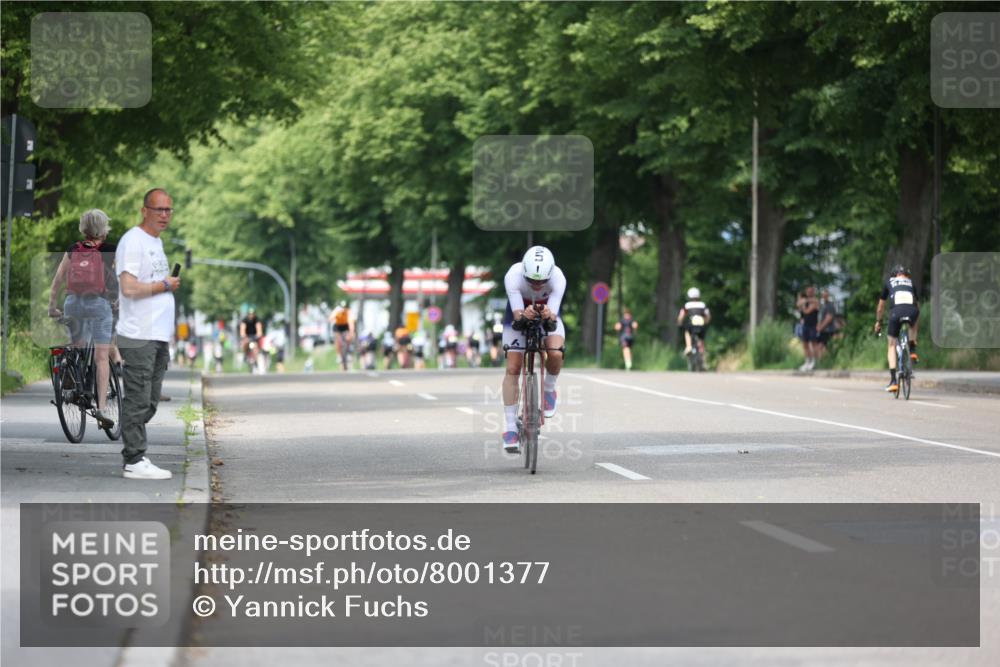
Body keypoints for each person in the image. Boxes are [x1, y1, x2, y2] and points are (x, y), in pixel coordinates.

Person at [115, 188, 180, 480]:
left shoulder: (156, 242)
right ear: (144, 211)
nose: (164, 215)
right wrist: (164, 286)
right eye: (159, 209)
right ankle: (134, 459)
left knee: (150, 401)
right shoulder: (133, 241)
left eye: (168, 210)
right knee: (138, 399)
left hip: (157, 335)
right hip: (138, 334)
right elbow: (129, 288)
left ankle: (135, 452)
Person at [47, 209, 118, 428]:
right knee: (101, 357)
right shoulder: (110, 250)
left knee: (77, 346)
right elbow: (118, 280)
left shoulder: (73, 249)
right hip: (98, 303)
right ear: (104, 229)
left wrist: (52, 306)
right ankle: (102, 408)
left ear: (83, 228)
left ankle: (70, 373)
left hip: (72, 303)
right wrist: (118, 303)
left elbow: (58, 279)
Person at [500, 246, 566, 453]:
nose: (537, 286)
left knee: (556, 352)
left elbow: (552, 322)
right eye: (532, 281)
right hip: (517, 316)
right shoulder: (513, 275)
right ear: (524, 274)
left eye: (541, 281)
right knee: (513, 368)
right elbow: (518, 318)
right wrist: (524, 316)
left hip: (547, 315)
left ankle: (548, 390)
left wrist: (548, 315)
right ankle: (510, 427)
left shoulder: (558, 277)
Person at [874, 264, 920, 393]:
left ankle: (894, 381)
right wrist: (915, 327)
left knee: (892, 345)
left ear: (894, 275)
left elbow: (880, 308)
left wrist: (878, 322)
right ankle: (912, 349)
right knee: (915, 318)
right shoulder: (911, 282)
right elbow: (918, 307)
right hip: (912, 311)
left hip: (896, 312)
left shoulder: (889, 282)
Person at [677, 288, 711, 363]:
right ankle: (703, 355)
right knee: (701, 339)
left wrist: (679, 322)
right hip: (701, 325)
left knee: (687, 332)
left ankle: (689, 347)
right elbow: (708, 316)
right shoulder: (703, 304)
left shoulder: (687, 305)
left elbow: (681, 316)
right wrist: (706, 322)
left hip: (691, 325)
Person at [796, 286, 820, 371]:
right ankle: (807, 361)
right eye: (808, 291)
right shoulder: (806, 301)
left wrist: (802, 303)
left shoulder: (815, 301)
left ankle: (814, 361)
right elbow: (798, 304)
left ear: (813, 292)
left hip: (813, 325)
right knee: (805, 344)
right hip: (805, 325)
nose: (809, 293)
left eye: (811, 291)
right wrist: (801, 302)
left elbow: (807, 311)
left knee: (813, 344)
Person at [329, 301, 354, 370]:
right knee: (337, 339)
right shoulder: (337, 310)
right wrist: (336, 315)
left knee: (348, 338)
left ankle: (348, 349)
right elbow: (330, 318)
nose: (343, 308)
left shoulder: (348, 312)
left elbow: (351, 324)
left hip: (345, 326)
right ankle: (338, 354)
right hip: (337, 326)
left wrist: (351, 334)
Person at [816, 289, 839, 359]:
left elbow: (829, 318)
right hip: (823, 330)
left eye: (825, 295)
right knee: (821, 347)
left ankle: (825, 362)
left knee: (822, 347)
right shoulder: (823, 306)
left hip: (828, 330)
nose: (823, 297)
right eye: (823, 295)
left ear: (828, 296)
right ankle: (823, 363)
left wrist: (820, 328)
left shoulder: (830, 305)